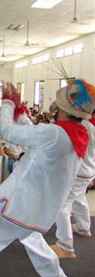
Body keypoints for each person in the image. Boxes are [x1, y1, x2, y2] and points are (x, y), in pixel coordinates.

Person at [0, 79, 95, 277]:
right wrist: (21, 111)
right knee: (35, 244)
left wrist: (7, 103)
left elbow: (8, 132)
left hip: (18, 204)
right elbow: (38, 136)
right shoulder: (77, 132)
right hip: (38, 211)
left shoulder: (54, 133)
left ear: (63, 109)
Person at [51, 108, 95, 258]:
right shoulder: (91, 125)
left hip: (79, 171)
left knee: (61, 204)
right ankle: (83, 227)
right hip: (89, 170)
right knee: (79, 198)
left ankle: (65, 245)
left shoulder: (84, 125)